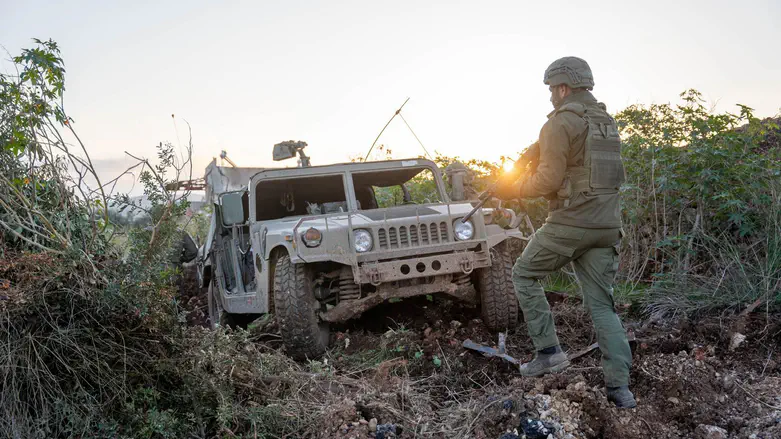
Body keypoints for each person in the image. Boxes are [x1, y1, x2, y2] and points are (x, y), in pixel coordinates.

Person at [494, 56, 636, 408]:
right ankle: (620, 391)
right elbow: (584, 162)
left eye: (551, 91)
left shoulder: (559, 122)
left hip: (571, 223)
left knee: (524, 274)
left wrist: (512, 189)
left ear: (562, 87)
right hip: (606, 226)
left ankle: (549, 351)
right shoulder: (605, 121)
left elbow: (548, 181)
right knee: (603, 306)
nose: (550, 98)